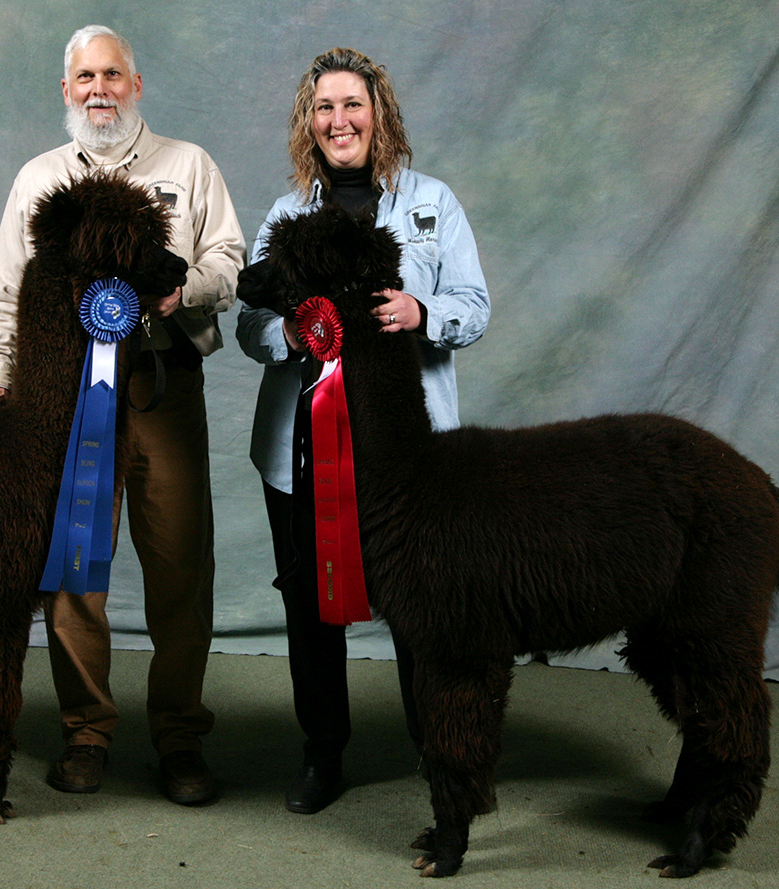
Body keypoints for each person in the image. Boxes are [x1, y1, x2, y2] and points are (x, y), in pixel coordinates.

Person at [0, 25, 245, 805]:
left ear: (137, 84)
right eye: (85, 77)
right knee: (74, 573)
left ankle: (181, 738)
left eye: (114, 75)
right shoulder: (38, 180)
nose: (100, 88)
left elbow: (227, 260)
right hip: (67, 402)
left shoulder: (189, 165)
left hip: (165, 386)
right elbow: (6, 287)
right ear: (67, 91)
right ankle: (86, 732)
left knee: (181, 570)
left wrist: (180, 289)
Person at [236, 47, 490, 814]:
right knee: (311, 602)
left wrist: (425, 313)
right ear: (307, 123)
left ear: (378, 112)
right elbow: (249, 322)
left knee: (420, 596)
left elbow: (474, 304)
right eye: (324, 108)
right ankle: (323, 752)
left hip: (407, 450)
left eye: (352, 104)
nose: (338, 120)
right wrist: (285, 331)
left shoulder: (432, 203)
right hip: (302, 448)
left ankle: (435, 743)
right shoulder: (286, 216)